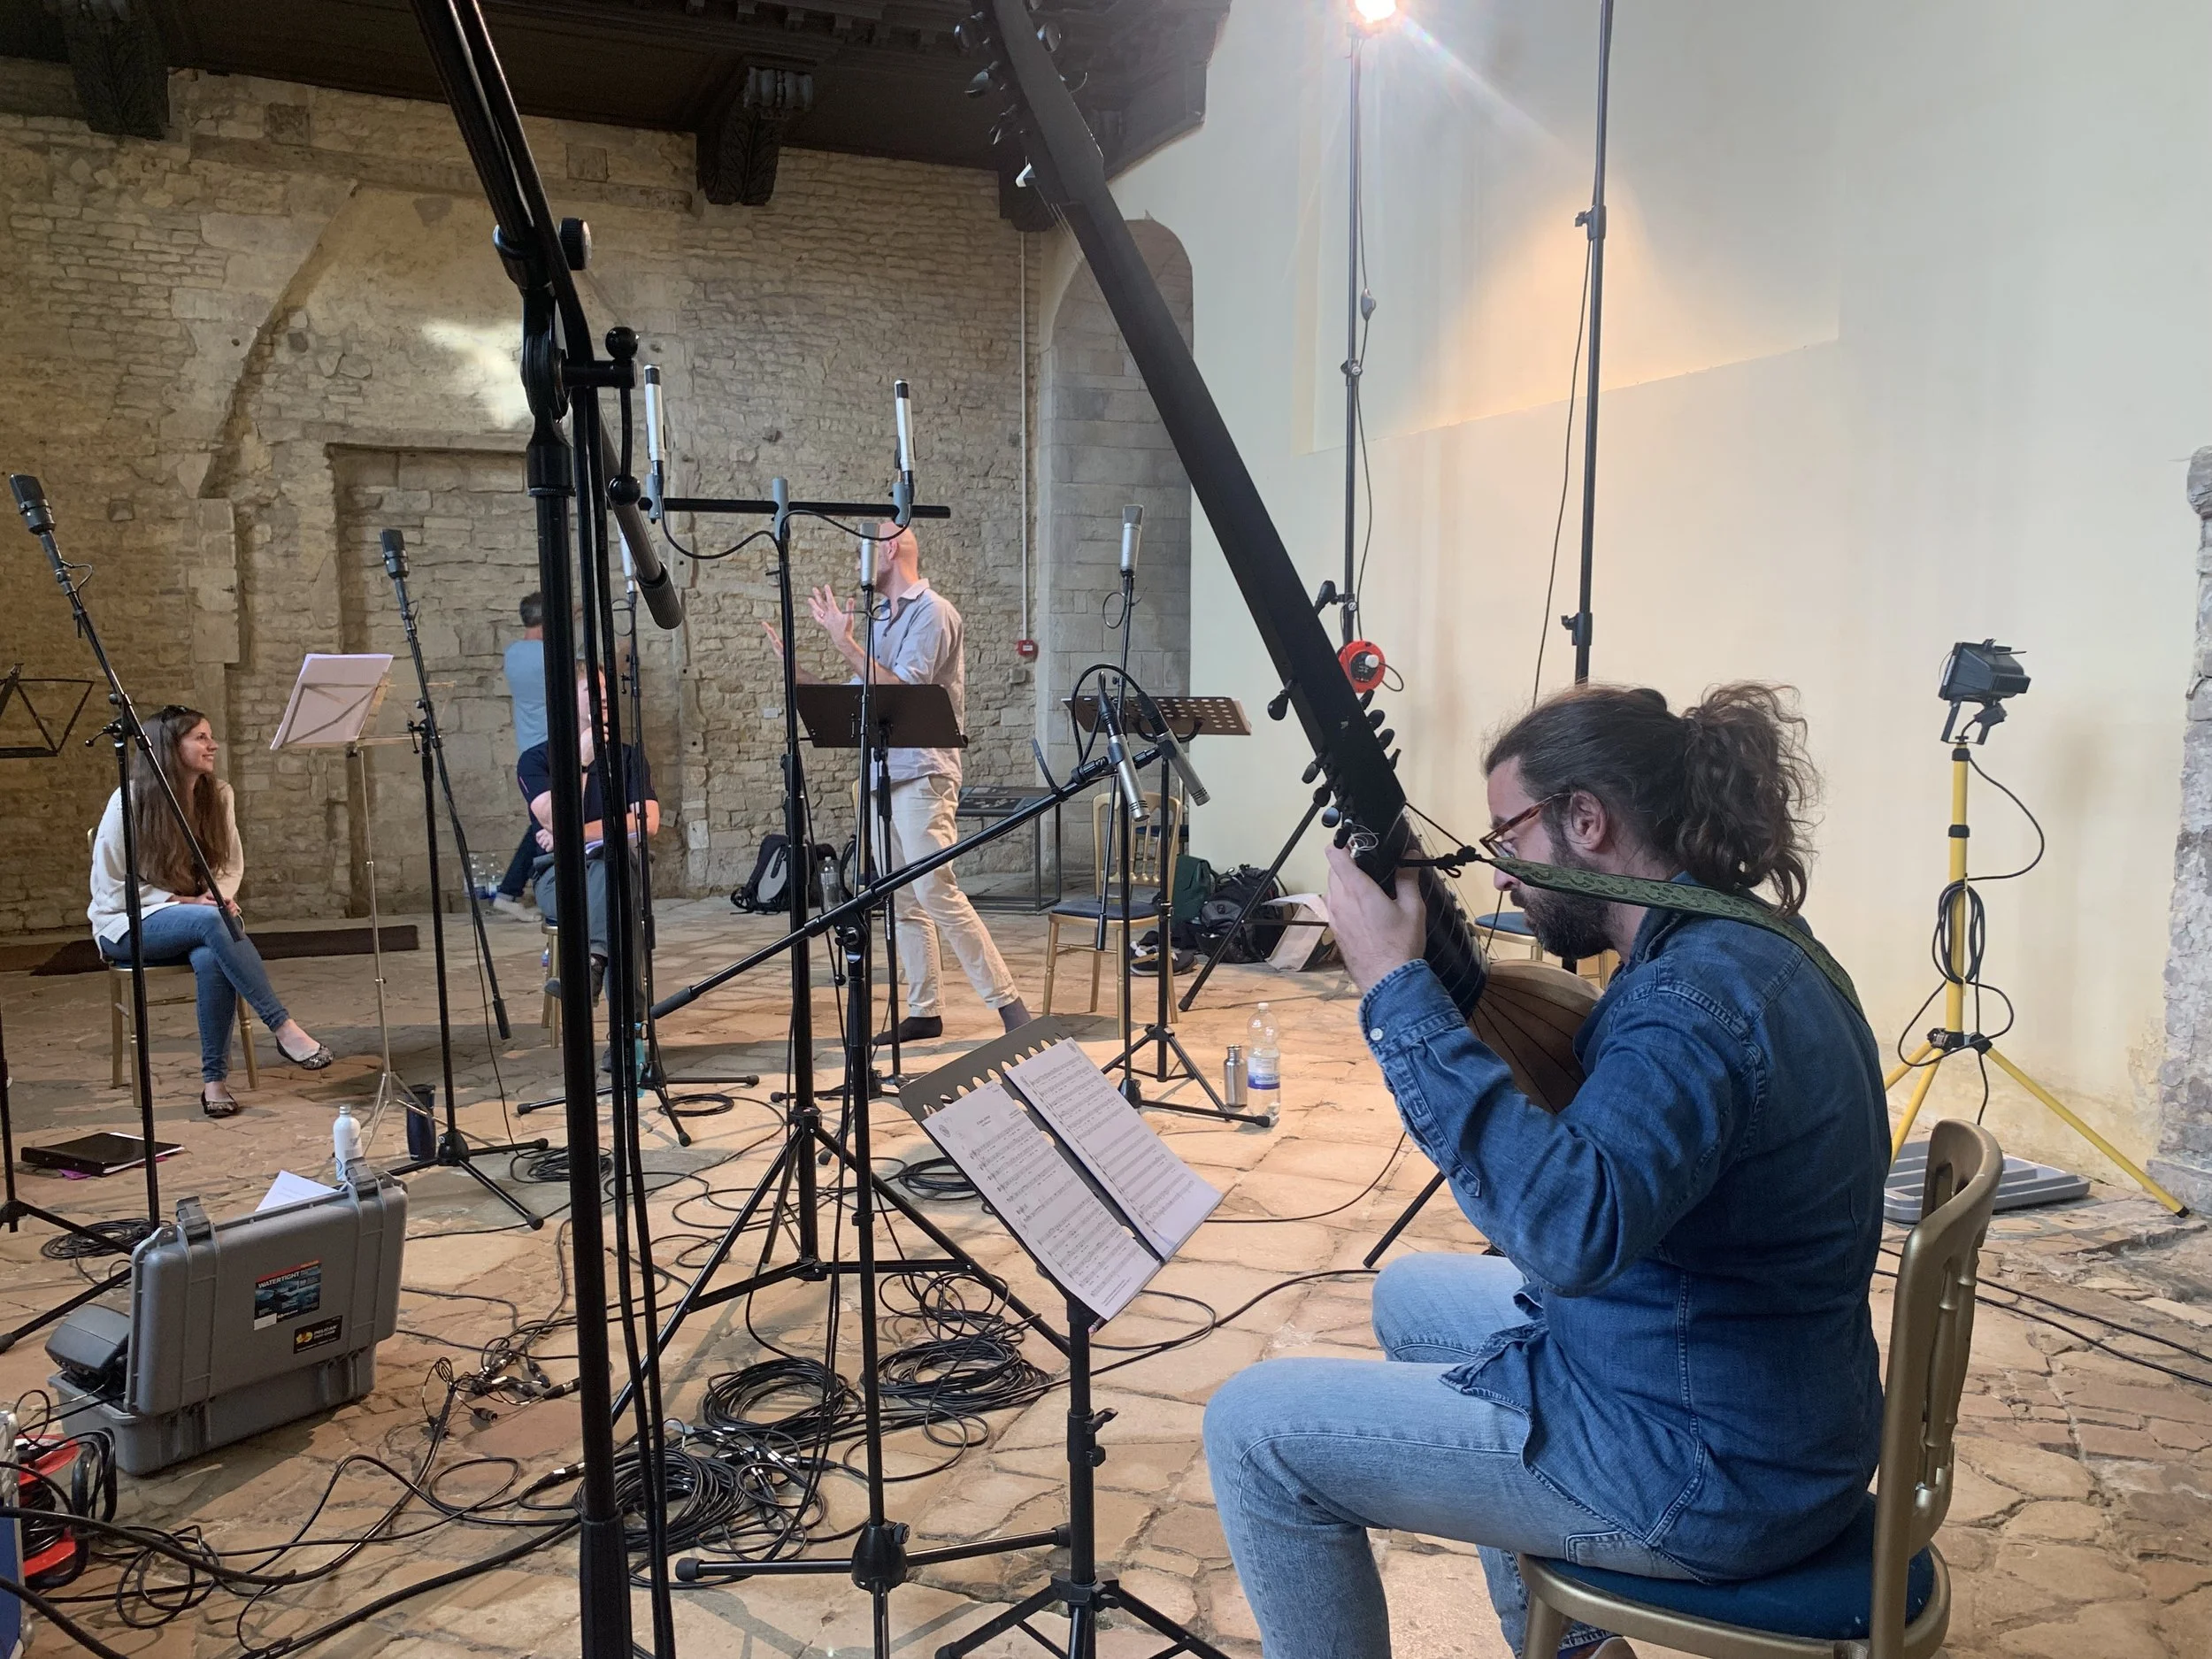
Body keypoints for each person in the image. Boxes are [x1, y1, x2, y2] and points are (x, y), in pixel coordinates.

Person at [1202, 683, 1888, 1659]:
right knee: (1411, 1293)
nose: (1501, 875)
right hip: (1769, 1408)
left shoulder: (1689, 1002)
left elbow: (1566, 1232)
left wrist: (1398, 988)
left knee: (1253, 1428)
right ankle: (1576, 1646)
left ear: (1586, 820)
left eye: (1507, 838)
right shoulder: (1747, 941)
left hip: (1709, 1470)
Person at [764, 522, 1031, 1039]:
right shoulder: (881, 618)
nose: (859, 557)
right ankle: (924, 1010)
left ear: (889, 548)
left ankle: (1010, 1007)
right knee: (903, 900)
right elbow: (857, 694)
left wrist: (844, 642)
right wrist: (797, 672)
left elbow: (906, 691)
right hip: (883, 776)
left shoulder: (934, 612)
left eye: (867, 546)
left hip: (923, 772)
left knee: (935, 889)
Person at [88, 706, 334, 1118]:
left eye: (210, 736)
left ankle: (214, 1082)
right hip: (128, 923)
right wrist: (190, 904)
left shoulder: (218, 795)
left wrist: (220, 896)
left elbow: (230, 865)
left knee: (212, 953)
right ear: (169, 747)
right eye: (201, 737)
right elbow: (112, 887)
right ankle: (283, 1026)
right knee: (215, 924)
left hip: (201, 923)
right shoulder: (128, 800)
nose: (212, 744)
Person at [519, 672, 657, 1004]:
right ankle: (632, 1035)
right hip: (560, 874)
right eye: (592, 689)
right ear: (568, 697)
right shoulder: (536, 760)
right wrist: (582, 761)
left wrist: (573, 834)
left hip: (614, 863)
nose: (605, 695)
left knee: (615, 874)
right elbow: (555, 817)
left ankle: (592, 964)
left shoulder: (627, 756)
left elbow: (648, 822)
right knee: (621, 902)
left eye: (608, 687)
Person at [493, 591, 549, 921]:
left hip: (529, 746)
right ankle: (510, 891)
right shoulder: (550, 656)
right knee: (546, 825)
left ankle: (509, 892)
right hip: (553, 747)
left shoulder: (514, 654)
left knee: (542, 823)